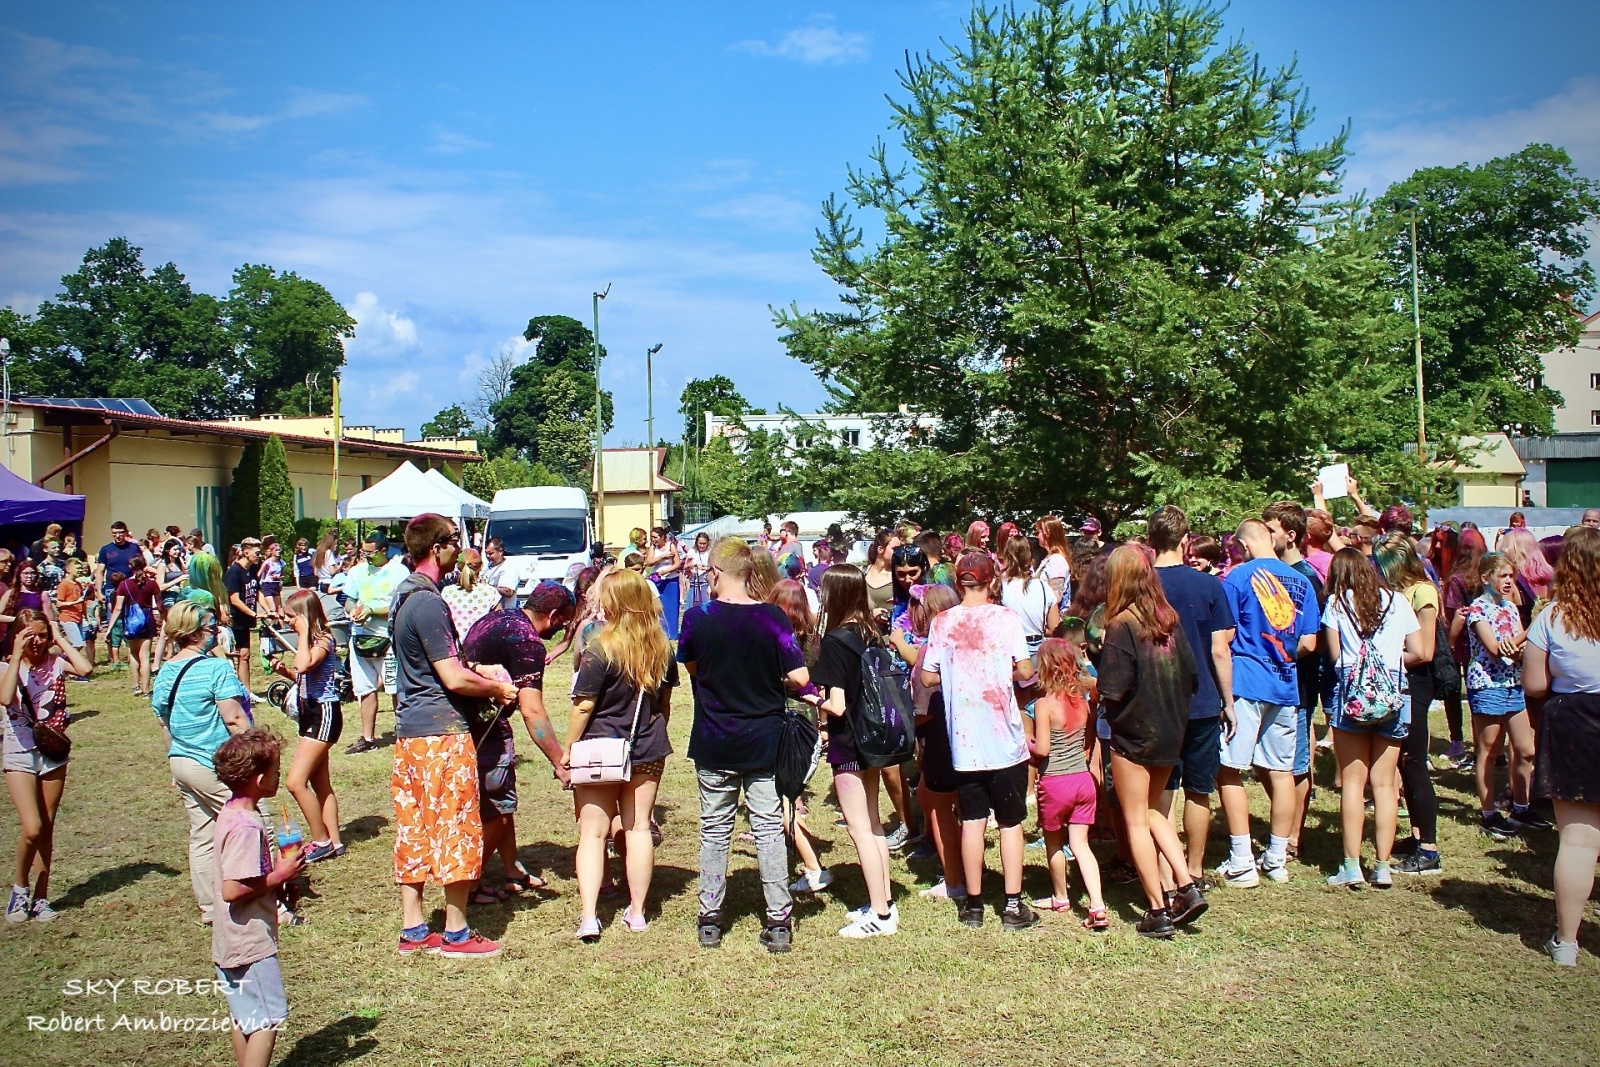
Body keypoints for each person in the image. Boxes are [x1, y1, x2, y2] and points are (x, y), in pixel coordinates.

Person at [388, 515, 519, 958]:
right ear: (439, 547)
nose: (460, 553)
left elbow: (436, 664)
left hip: (410, 733)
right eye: (456, 544)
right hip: (441, 735)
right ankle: (457, 932)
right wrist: (496, 687)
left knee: (415, 829)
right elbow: (450, 678)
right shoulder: (428, 603)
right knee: (458, 826)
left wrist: (475, 669)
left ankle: (413, 930)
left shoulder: (403, 596)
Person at [677, 536, 811, 953]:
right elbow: (801, 678)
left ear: (714, 573)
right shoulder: (773, 618)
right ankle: (778, 920)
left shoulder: (696, 618)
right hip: (763, 738)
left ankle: (710, 918)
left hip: (715, 738)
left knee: (715, 828)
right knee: (768, 827)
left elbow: (694, 668)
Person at [920, 551, 1040, 931]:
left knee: (971, 820)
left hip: (964, 740)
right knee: (1009, 822)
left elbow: (926, 677)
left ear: (959, 583)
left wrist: (956, 677)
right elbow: (1024, 669)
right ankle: (1012, 903)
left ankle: (973, 905)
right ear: (992, 582)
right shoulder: (1006, 619)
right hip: (1003, 737)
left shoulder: (942, 622)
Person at [1095, 545, 1205, 937]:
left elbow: (1113, 689)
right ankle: (1187, 887)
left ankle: (1157, 909)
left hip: (1134, 735)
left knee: (1135, 820)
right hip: (1171, 730)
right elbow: (1193, 677)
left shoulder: (1122, 624)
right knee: (1156, 813)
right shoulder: (1169, 619)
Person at [566, 569, 676, 940]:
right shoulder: (662, 648)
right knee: (639, 827)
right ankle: (638, 911)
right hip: (647, 746)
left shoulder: (599, 648)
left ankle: (588, 917)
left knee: (593, 834)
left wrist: (568, 748)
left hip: (600, 748)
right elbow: (665, 704)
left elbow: (583, 706)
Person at [1214, 519, 1319, 887]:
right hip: (1285, 684)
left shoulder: (1239, 578)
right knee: (1281, 772)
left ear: (1242, 546)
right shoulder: (1302, 581)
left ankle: (1242, 858)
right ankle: (1277, 857)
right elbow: (1308, 643)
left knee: (1228, 768)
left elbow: (1224, 633)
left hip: (1245, 682)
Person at [460, 581, 577, 901]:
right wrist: (559, 762)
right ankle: (467, 885)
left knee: (502, 804)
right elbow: (532, 710)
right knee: (496, 809)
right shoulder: (527, 641)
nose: (562, 629)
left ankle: (512, 869)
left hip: (465, 723)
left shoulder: (497, 617)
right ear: (553, 615)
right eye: (564, 621)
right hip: (485, 726)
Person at [1321, 548, 1423, 889]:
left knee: (1353, 783)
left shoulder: (1336, 605)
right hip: (1393, 695)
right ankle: (1382, 866)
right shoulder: (1398, 602)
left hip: (1351, 697)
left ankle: (1351, 866)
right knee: (1384, 784)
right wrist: (1388, 661)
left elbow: (1336, 658)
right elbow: (1419, 651)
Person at [1524, 526, 1600, 964]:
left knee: (1577, 841)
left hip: (1573, 725)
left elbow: (1535, 685)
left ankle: (1567, 942)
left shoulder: (1550, 618)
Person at [150, 602, 253, 923]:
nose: (217, 633)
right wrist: (258, 757)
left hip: (182, 763)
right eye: (211, 628)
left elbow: (164, 722)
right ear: (193, 633)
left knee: (203, 834)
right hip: (214, 764)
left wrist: (173, 761)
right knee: (250, 824)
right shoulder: (215, 669)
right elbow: (235, 719)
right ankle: (265, 898)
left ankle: (210, 908)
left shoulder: (166, 671)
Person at [1149, 506, 1235, 888]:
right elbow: (1221, 649)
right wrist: (1228, 701)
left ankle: (1169, 875)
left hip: (1158, 702)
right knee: (1199, 790)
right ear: (1185, 541)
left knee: (1162, 790)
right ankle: (1195, 869)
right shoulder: (1209, 585)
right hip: (1202, 701)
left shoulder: (1144, 585)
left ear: (1151, 540)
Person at [211, 729, 306, 1067]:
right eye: (278, 771)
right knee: (267, 1019)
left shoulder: (232, 812)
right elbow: (233, 890)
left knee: (246, 1016)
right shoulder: (246, 828)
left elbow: (248, 877)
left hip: (230, 940)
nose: (279, 776)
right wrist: (280, 874)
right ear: (261, 778)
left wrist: (277, 885)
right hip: (250, 942)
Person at [811, 565, 897, 938]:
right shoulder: (871, 634)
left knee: (858, 827)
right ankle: (885, 901)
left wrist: (806, 695)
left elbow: (838, 705)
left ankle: (878, 916)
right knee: (875, 824)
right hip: (876, 737)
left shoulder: (834, 641)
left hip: (849, 740)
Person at [2, 610, 92, 922]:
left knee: (47, 827)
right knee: (33, 827)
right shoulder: (5, 666)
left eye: (41, 635)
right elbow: (5, 697)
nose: (37, 642)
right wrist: (15, 655)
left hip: (52, 752)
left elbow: (86, 668)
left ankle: (41, 897)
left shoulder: (55, 662)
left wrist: (59, 637)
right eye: (30, 636)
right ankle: (19, 888)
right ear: (17, 636)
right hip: (20, 752)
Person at [1374, 532, 1445, 875]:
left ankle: (1429, 849)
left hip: (1416, 681)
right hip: (1399, 679)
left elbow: (1425, 651)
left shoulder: (1423, 592)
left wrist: (1383, 658)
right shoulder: (1398, 592)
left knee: (1415, 762)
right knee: (1403, 762)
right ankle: (1418, 836)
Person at [1027, 637, 1107, 929]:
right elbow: (1087, 744)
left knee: (1054, 843)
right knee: (1081, 845)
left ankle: (1061, 896)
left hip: (1056, 782)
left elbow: (1043, 750)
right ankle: (1097, 905)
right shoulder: (1083, 704)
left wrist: (1026, 742)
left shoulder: (1044, 705)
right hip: (1082, 781)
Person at [1465, 553, 1546, 840]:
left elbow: (1514, 648)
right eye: (1503, 576)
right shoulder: (1477, 610)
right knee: (1489, 750)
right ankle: (1488, 813)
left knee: (1526, 749)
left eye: (1511, 576)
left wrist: (1521, 644)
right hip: (1487, 685)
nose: (1509, 581)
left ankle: (1521, 806)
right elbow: (1496, 648)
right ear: (1486, 578)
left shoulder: (1510, 608)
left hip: (1513, 683)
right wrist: (1532, 631)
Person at [275, 589, 345, 864]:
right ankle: (335, 842)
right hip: (309, 713)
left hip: (323, 715)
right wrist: (285, 673)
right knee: (320, 783)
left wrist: (303, 632)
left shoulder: (324, 640)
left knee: (295, 782)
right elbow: (303, 674)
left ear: (305, 617)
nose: (288, 622)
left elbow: (305, 663)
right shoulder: (313, 642)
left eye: (292, 617)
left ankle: (321, 840)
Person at [768, 578, 828, 894]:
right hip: (809, 718)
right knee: (788, 795)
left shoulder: (779, 640)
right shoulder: (815, 640)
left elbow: (801, 681)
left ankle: (815, 869)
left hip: (787, 720)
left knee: (781, 802)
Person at [345, 539, 408, 754]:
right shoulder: (356, 572)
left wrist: (373, 610)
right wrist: (354, 610)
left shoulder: (398, 572)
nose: (366, 556)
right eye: (363, 551)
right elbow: (349, 599)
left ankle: (404, 732)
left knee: (395, 688)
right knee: (365, 689)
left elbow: (402, 605)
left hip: (387, 638)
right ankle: (367, 737)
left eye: (370, 552)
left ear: (383, 551)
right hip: (360, 638)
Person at [1443, 527, 1488, 767]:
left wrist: (1450, 640)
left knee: (1453, 691)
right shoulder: (1488, 574)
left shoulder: (1457, 579)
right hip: (1485, 644)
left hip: (1461, 642)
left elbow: (1454, 614)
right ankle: (1487, 745)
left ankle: (1457, 739)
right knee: (1480, 697)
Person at [107, 557, 159, 697]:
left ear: (130, 567)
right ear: (145, 565)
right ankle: (146, 690)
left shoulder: (124, 585)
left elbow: (118, 608)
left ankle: (135, 686)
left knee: (133, 654)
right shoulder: (152, 584)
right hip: (147, 621)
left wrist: (109, 628)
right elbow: (160, 605)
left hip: (130, 622)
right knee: (145, 657)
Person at [1000, 534, 1059, 654]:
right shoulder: (1044, 587)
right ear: (1031, 559)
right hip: (1039, 650)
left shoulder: (1000, 588)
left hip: (1011, 651)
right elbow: (1055, 628)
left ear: (1007, 558)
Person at [223, 539, 263, 694]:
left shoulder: (252, 570)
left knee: (245, 655)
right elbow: (234, 599)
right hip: (235, 619)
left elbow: (257, 592)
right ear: (246, 553)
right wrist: (255, 613)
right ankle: (237, 690)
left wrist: (269, 609)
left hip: (246, 619)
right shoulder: (234, 572)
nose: (259, 556)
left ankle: (246, 691)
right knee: (236, 655)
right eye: (257, 553)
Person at [440, 549, 499, 640]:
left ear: (458, 566)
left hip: (455, 648)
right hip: (481, 647)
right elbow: (498, 623)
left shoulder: (446, 592)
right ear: (481, 566)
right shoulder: (491, 592)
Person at [153, 538, 189, 669]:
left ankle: (161, 663)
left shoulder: (179, 563)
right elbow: (159, 586)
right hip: (168, 599)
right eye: (174, 549)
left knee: (170, 631)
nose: (177, 552)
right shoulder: (163, 565)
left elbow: (186, 574)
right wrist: (178, 579)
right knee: (165, 631)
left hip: (179, 597)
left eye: (179, 549)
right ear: (168, 550)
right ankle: (156, 664)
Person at [646, 526, 683, 640]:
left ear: (663, 537)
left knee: (672, 607)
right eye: (652, 537)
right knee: (659, 607)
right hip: (657, 581)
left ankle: (672, 633)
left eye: (655, 537)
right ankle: (661, 633)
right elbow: (649, 562)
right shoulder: (653, 547)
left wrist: (665, 571)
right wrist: (662, 557)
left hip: (671, 580)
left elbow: (677, 564)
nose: (653, 540)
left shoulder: (671, 546)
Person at [94, 520, 145, 603]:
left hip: (132, 587)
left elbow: (141, 566)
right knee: (113, 615)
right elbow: (100, 571)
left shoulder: (134, 547)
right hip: (112, 588)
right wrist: (99, 592)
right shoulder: (105, 549)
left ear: (126, 533)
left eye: (120, 533)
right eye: (114, 533)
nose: (117, 536)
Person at [863, 529, 898, 622]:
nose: (898, 553)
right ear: (880, 549)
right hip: (866, 633)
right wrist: (870, 613)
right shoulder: (863, 573)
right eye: (894, 549)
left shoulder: (899, 576)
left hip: (890, 633)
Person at [481, 536, 522, 609]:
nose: (487, 556)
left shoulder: (509, 568)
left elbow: (509, 592)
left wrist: (487, 587)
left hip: (505, 613)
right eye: (486, 553)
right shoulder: (487, 567)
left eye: (490, 553)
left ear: (500, 551)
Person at [684, 532, 713, 610]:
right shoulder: (692, 552)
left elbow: (713, 567)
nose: (702, 545)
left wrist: (703, 568)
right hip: (694, 584)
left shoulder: (710, 553)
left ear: (708, 543)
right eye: (700, 543)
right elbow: (685, 567)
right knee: (691, 609)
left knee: (706, 609)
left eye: (704, 543)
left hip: (706, 585)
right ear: (696, 542)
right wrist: (691, 566)